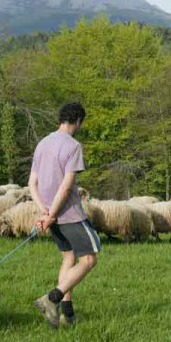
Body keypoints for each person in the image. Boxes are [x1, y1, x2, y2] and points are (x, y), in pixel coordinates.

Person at [30, 102, 99, 328]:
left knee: (68, 259)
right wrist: (52, 214)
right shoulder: (73, 146)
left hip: (51, 215)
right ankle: (51, 299)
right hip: (69, 214)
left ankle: (66, 315)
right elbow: (66, 186)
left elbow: (32, 183)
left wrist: (45, 211)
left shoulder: (42, 143)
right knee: (89, 259)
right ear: (78, 121)